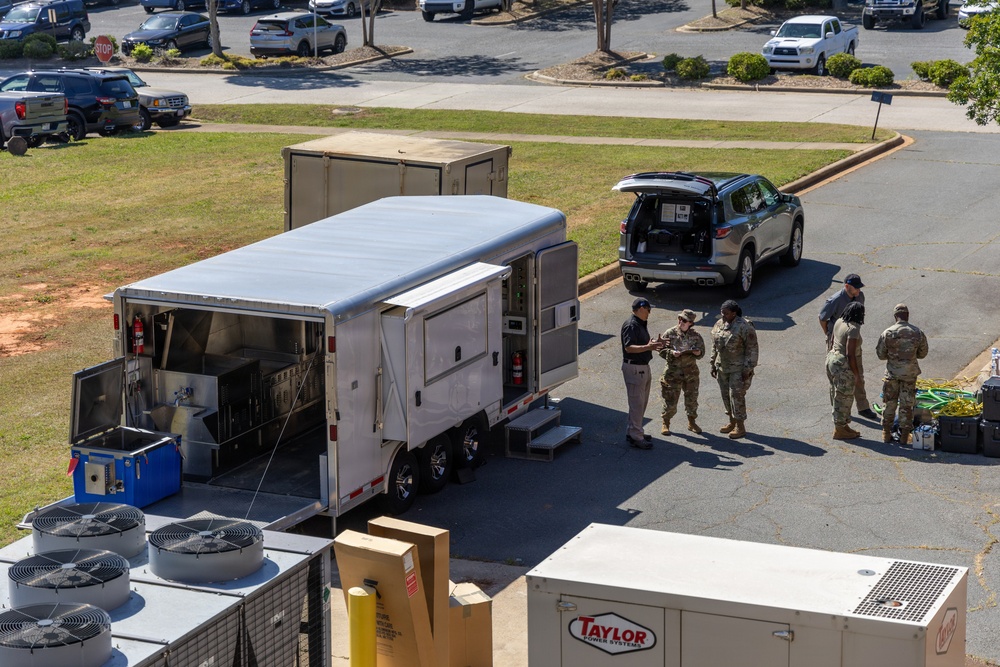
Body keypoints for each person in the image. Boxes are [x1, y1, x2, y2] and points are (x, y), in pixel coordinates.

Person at [818, 273, 877, 420]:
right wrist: (829, 334)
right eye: (855, 288)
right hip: (836, 339)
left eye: (859, 287)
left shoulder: (860, 297)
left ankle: (863, 407)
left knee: (858, 374)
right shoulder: (835, 300)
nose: (858, 290)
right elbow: (822, 318)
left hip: (853, 338)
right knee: (838, 378)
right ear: (847, 286)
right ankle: (838, 410)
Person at [875, 304, 929, 445]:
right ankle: (904, 436)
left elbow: (880, 355)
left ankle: (886, 433)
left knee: (889, 402)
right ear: (908, 315)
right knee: (906, 404)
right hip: (909, 374)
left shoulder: (887, 333)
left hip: (892, 374)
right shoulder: (917, 332)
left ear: (895, 317)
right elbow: (923, 353)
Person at [710, 300, 758, 439]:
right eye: (722, 312)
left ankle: (740, 426)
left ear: (734, 313)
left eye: (726, 313)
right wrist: (712, 363)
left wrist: (748, 369)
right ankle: (731, 421)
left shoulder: (745, 326)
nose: (723, 315)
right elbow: (715, 345)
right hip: (722, 367)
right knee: (725, 395)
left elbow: (752, 349)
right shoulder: (719, 324)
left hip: (738, 368)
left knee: (736, 396)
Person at [621, 297, 664, 449]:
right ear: (640, 309)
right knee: (637, 404)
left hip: (642, 367)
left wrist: (654, 344)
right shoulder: (631, 325)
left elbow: (643, 344)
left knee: (641, 403)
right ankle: (636, 436)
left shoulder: (640, 323)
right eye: (648, 309)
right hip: (635, 369)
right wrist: (648, 347)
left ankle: (634, 430)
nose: (649, 313)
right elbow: (629, 347)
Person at [658, 309, 705, 436]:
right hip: (673, 373)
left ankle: (692, 422)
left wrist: (698, 353)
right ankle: (666, 422)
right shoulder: (670, 333)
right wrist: (671, 353)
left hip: (691, 373)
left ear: (690, 323)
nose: (681, 322)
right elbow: (660, 350)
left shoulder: (696, 336)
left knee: (692, 400)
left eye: (684, 320)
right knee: (670, 400)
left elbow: (702, 352)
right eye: (680, 319)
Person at [826, 302, 866, 440]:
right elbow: (850, 354)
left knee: (836, 393)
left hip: (832, 359)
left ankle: (843, 425)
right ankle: (839, 429)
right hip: (843, 364)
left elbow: (832, 340)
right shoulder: (853, 329)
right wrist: (856, 374)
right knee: (844, 396)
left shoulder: (839, 321)